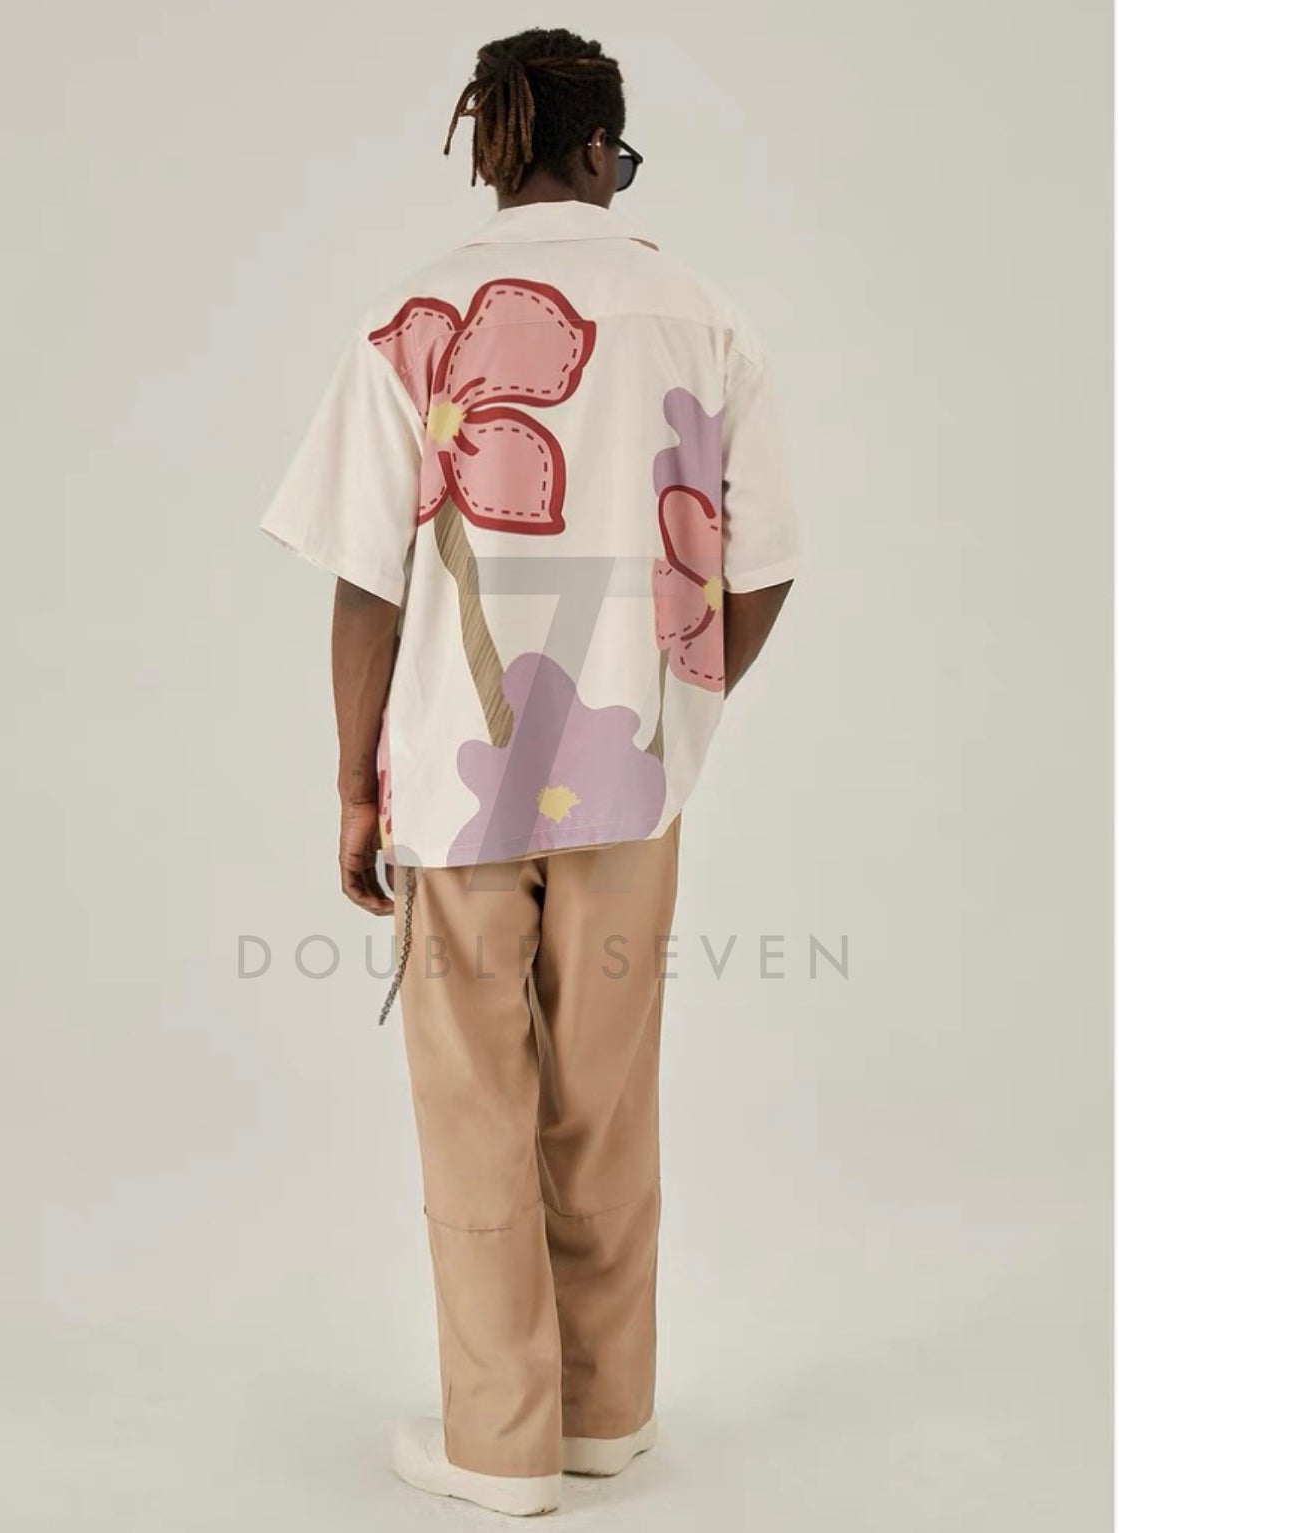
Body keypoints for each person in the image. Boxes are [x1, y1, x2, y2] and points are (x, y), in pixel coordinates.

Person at [261, 27, 797, 1517]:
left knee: (473, 1103)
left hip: (455, 780)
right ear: (602, 150)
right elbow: (763, 567)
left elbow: (365, 582)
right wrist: (683, 704)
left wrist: (355, 784)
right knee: (605, 1101)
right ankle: (607, 1416)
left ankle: (501, 1443)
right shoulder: (704, 319)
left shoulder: (412, 318)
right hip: (632, 775)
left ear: (493, 150)